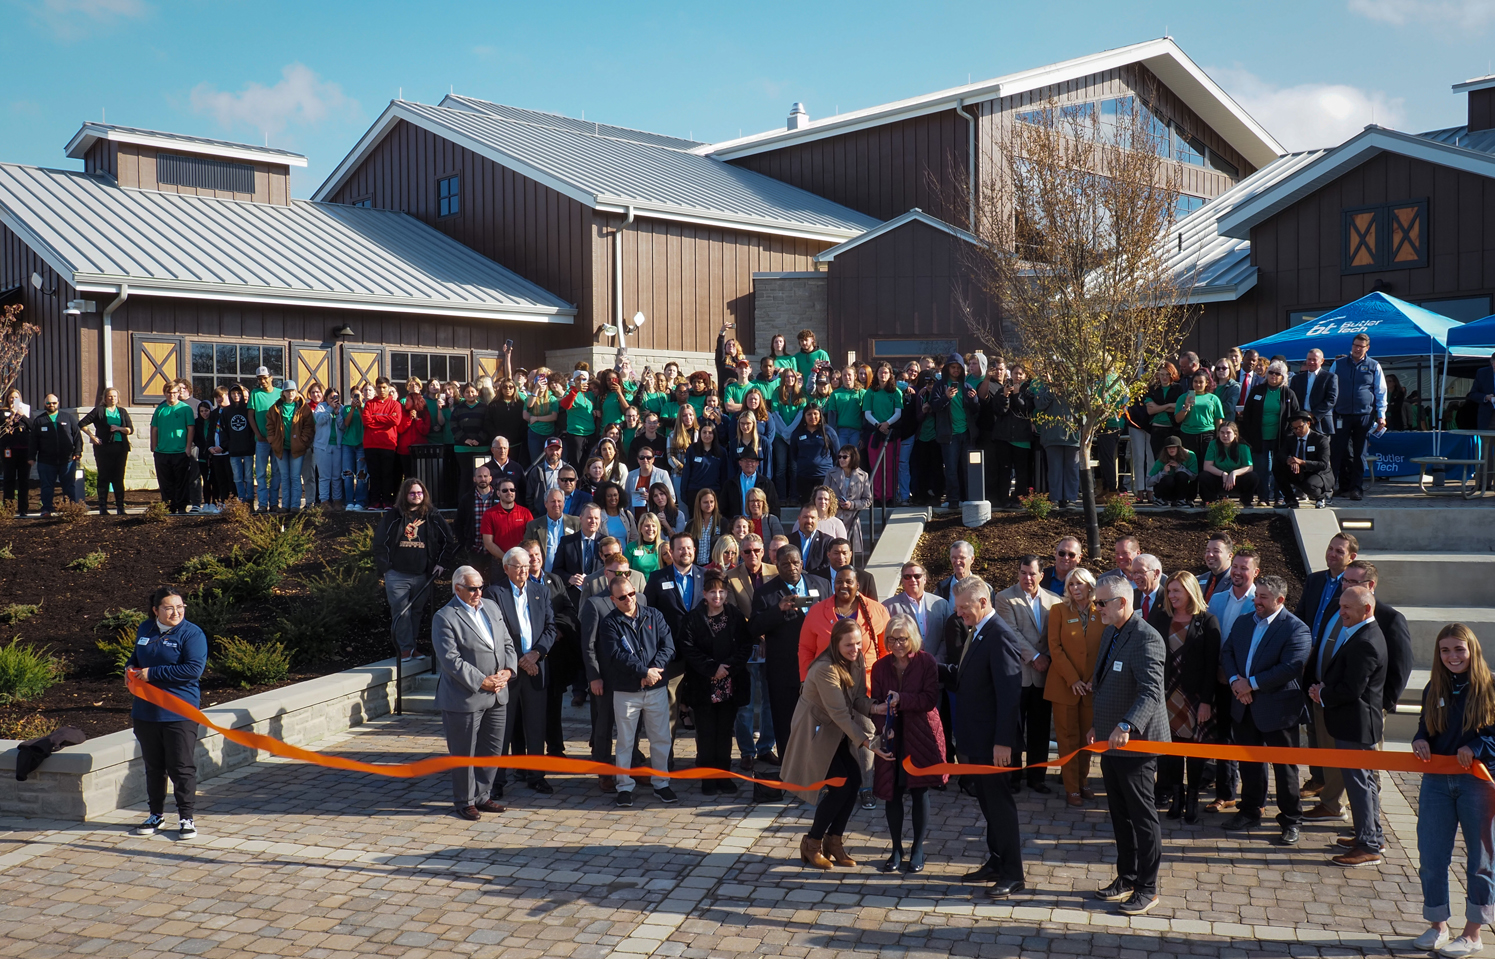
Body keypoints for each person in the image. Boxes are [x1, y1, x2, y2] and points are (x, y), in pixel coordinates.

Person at [1409, 623, 1495, 957]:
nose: (1452, 656)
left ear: (1472, 650)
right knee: (1431, 856)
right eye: (1445, 650)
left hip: (1478, 783)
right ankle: (1437, 925)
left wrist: (1477, 745)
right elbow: (1424, 726)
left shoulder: (1489, 687)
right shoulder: (1436, 686)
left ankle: (1473, 933)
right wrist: (1420, 739)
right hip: (1436, 783)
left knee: (1481, 860)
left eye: (1458, 649)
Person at [1088, 573, 1168, 915]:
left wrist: (1126, 724)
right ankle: (1127, 876)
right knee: (1120, 815)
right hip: (1110, 743)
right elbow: (1104, 682)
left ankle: (1147, 888)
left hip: (1136, 744)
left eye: (1101, 602)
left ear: (1122, 602)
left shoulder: (1147, 639)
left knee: (1141, 817)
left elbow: (1151, 691)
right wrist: (1098, 724)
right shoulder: (1110, 631)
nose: (1096, 608)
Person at [946, 575, 1027, 897]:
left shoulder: (1000, 635)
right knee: (987, 805)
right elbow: (968, 676)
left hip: (994, 743)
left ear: (983, 602)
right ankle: (996, 861)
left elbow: (1009, 695)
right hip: (977, 738)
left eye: (964, 607)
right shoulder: (978, 631)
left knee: (999, 806)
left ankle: (1013, 872)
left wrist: (1003, 742)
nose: (959, 614)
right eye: (957, 608)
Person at [781, 619, 881, 869]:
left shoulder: (855, 659)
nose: (855, 649)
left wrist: (876, 707)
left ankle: (833, 842)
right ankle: (812, 843)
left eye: (858, 643)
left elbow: (857, 698)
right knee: (840, 787)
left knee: (854, 781)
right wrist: (868, 742)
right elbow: (839, 713)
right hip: (815, 733)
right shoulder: (825, 668)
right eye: (849, 644)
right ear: (835, 643)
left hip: (836, 732)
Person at [1218, 575, 1309, 845]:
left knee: (1285, 769)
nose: (1256, 601)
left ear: (1280, 600)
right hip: (1243, 707)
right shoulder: (1245, 621)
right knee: (1249, 763)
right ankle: (1249, 811)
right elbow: (1228, 652)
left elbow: (1291, 667)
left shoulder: (1296, 629)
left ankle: (1291, 820)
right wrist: (1236, 682)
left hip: (1278, 711)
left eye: (1263, 598)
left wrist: (1251, 685)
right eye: (1256, 595)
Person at [1311, 585, 1388, 867]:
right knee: (1364, 784)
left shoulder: (1366, 640)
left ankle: (1368, 844)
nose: (1340, 612)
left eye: (1346, 608)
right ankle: (1372, 836)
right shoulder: (1361, 633)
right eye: (1340, 605)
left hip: (1356, 727)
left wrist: (1322, 694)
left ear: (1366, 609)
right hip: (1354, 724)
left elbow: (1351, 689)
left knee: (1360, 786)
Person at [431, 566, 515, 821]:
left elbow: (507, 642)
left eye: (481, 586)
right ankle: (464, 800)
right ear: (457, 589)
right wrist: (482, 681)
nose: (479, 592)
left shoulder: (492, 607)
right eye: (472, 588)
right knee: (464, 752)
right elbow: (450, 660)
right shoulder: (444, 617)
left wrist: (509, 671)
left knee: (492, 749)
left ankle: (482, 795)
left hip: (498, 693)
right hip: (464, 697)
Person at [127, 587, 208, 840]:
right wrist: (129, 667)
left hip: (178, 713)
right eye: (169, 607)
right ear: (155, 610)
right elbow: (136, 656)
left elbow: (193, 670)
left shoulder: (192, 634)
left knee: (181, 767)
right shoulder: (145, 629)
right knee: (154, 767)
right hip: (146, 712)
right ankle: (156, 815)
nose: (176, 612)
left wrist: (153, 673)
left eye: (180, 606)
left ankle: (186, 818)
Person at [871, 614, 946, 873]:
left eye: (902, 639)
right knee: (891, 792)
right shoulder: (881, 666)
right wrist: (883, 724)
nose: (897, 644)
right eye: (891, 639)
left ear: (912, 638)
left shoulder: (926, 662)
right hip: (893, 735)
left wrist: (901, 699)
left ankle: (917, 848)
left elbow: (928, 700)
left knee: (919, 791)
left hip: (920, 734)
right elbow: (876, 704)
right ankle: (895, 848)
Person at [598, 575, 678, 807]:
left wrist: (653, 671)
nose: (628, 600)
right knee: (625, 741)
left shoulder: (654, 614)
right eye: (622, 597)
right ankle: (624, 786)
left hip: (656, 688)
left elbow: (668, 646)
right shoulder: (609, 622)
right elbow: (615, 655)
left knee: (661, 738)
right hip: (626, 691)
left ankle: (661, 783)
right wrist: (643, 672)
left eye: (631, 594)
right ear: (613, 599)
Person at [484, 547, 557, 797]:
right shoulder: (494, 593)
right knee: (502, 728)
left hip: (536, 668)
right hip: (508, 671)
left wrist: (536, 654)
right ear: (506, 568)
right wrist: (518, 661)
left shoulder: (541, 591)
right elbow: (495, 634)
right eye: (518, 566)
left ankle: (536, 776)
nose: (524, 570)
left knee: (536, 726)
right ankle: (497, 781)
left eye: (526, 566)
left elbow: (550, 627)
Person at [750, 545, 830, 765]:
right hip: (784, 671)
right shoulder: (766, 592)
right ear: (777, 566)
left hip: (818, 667)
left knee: (821, 720)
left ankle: (820, 766)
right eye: (785, 564)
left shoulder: (821, 585)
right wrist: (778, 610)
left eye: (795, 563)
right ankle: (790, 768)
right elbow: (754, 627)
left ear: (802, 563)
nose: (791, 568)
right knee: (786, 723)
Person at [679, 571, 753, 795]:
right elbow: (688, 648)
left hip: (730, 683)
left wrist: (727, 668)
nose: (717, 596)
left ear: (727, 593)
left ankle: (724, 775)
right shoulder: (693, 618)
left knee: (724, 731)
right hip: (704, 684)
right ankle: (708, 778)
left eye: (721, 591)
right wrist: (712, 668)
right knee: (706, 731)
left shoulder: (735, 616)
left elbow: (745, 645)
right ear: (704, 594)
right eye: (712, 592)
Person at [994, 555, 1059, 793]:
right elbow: (1010, 633)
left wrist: (1048, 658)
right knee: (1014, 728)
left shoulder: (1055, 600)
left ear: (1042, 575)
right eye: (1023, 572)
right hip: (1017, 674)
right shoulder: (1004, 598)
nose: (1027, 578)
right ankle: (1012, 777)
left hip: (1045, 675)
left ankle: (1037, 777)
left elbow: (1057, 636)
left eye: (1032, 573)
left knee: (1040, 729)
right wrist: (1034, 658)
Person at [373, 477, 457, 659]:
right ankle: (406, 648)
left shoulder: (433, 516)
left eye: (420, 492)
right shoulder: (393, 516)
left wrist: (441, 564)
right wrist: (386, 568)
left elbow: (448, 541)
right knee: (401, 611)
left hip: (422, 575)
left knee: (416, 612)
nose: (417, 496)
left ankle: (411, 647)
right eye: (412, 493)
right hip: (396, 575)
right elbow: (380, 543)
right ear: (405, 495)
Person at [1204, 548, 1260, 812]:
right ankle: (1225, 794)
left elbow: (1256, 647)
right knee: (1223, 738)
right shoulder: (1217, 599)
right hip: (1218, 680)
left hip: (1246, 685)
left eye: (1244, 568)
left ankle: (1255, 800)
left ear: (1255, 572)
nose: (1237, 572)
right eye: (1235, 566)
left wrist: (1239, 678)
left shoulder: (1259, 601)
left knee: (1250, 743)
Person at [1045, 567, 1104, 807]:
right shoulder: (1058, 611)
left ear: (1090, 586)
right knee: (1067, 738)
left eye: (1079, 584)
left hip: (1091, 687)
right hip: (1065, 686)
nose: (1075, 588)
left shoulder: (1100, 611)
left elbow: (1105, 647)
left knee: (1086, 738)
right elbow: (1055, 647)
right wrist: (1073, 680)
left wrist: (1093, 679)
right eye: (1071, 584)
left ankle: (1083, 782)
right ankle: (1071, 788)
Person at [1330, 332, 1387, 502]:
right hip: (1341, 414)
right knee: (1338, 452)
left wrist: (1381, 415)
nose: (1356, 349)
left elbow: (1380, 391)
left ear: (1367, 348)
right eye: (1355, 345)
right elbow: (1331, 389)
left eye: (1360, 346)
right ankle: (1336, 486)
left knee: (1359, 454)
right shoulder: (1338, 364)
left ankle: (1356, 488)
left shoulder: (1374, 365)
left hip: (1363, 415)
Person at [1238, 359, 1299, 506]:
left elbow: (1295, 416)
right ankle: (1263, 498)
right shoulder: (1257, 391)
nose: (1273, 376)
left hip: (1280, 438)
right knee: (1262, 469)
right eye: (1271, 372)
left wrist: (1290, 436)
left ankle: (1279, 497)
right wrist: (1248, 435)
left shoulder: (1288, 393)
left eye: (1277, 374)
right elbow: (1248, 414)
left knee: (1279, 469)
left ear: (1283, 376)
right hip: (1259, 438)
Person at [930, 353, 978, 507]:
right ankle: (953, 500)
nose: (956, 370)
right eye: (953, 367)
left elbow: (976, 410)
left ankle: (967, 498)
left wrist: (974, 399)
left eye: (958, 368)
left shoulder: (966, 386)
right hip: (948, 435)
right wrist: (945, 397)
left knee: (967, 469)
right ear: (948, 368)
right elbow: (934, 407)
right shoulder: (940, 385)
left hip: (966, 433)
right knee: (950, 469)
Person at [80, 387, 134, 516]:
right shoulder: (99, 411)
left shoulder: (122, 411)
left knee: (119, 477)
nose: (112, 398)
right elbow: (82, 423)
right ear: (105, 398)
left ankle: (120, 506)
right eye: (110, 396)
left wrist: (119, 428)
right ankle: (102, 507)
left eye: (114, 396)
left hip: (120, 447)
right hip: (103, 448)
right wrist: (92, 436)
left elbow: (130, 429)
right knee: (104, 476)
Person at [884, 562, 950, 664]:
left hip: (937, 667)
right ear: (902, 580)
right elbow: (887, 640)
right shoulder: (888, 607)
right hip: (905, 669)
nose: (912, 580)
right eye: (907, 576)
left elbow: (947, 638)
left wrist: (937, 660)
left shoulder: (941, 604)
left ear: (924, 579)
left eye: (917, 576)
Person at [144, 386, 192, 514]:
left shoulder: (185, 409)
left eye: (174, 392)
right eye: (169, 393)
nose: (172, 395)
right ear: (165, 393)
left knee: (181, 481)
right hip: (162, 451)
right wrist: (153, 446)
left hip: (180, 451)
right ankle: (169, 506)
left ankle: (181, 507)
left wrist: (188, 447)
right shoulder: (160, 409)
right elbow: (154, 428)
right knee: (165, 482)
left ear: (178, 393)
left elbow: (190, 428)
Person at [361, 378, 404, 511]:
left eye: (384, 387)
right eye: (379, 387)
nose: (381, 390)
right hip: (371, 444)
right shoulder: (369, 404)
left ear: (388, 388)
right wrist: (385, 419)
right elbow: (367, 421)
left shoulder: (395, 404)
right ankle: (374, 501)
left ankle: (387, 501)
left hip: (388, 444)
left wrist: (376, 417)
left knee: (387, 474)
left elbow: (395, 421)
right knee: (374, 474)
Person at [1275, 410, 1333, 509]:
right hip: (1298, 471)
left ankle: (1321, 498)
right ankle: (1290, 500)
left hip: (1317, 473)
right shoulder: (1290, 438)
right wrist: (1289, 460)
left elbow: (1323, 464)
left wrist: (1302, 462)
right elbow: (1281, 454)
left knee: (1309, 485)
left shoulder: (1320, 439)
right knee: (1277, 466)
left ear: (1308, 424)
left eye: (1300, 427)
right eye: (1294, 428)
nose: (1297, 431)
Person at [554, 503, 605, 604]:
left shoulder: (606, 542)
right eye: (589, 517)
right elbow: (556, 570)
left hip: (600, 597)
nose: (593, 521)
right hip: (573, 598)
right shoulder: (567, 542)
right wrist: (569, 578)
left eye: (596, 518)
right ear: (581, 518)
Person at [1198, 421, 1257, 507]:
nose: (1225, 435)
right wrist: (1223, 474)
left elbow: (1249, 467)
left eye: (1228, 433)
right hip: (1220, 480)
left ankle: (1246, 501)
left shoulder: (1243, 446)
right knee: (1204, 476)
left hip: (1236, 481)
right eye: (1222, 432)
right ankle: (1210, 502)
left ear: (1235, 434)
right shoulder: (1213, 444)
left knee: (1253, 476)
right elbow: (1207, 466)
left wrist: (1234, 473)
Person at [827, 445, 872, 555]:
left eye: (845, 457)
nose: (841, 459)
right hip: (834, 516)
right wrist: (836, 503)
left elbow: (867, 500)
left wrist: (851, 504)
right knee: (833, 551)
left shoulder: (863, 476)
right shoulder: (831, 473)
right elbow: (824, 494)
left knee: (850, 553)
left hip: (852, 519)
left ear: (853, 458)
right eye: (839, 457)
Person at [523, 488, 579, 575]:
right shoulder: (533, 526)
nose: (556, 504)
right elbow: (526, 549)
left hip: (568, 577)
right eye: (553, 501)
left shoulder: (576, 523)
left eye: (559, 501)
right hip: (543, 576)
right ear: (545, 503)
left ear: (564, 503)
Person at [789, 404, 838, 504]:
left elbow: (836, 453)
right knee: (807, 507)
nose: (812, 417)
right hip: (804, 476)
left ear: (820, 415)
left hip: (824, 476)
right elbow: (793, 453)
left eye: (815, 414)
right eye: (809, 414)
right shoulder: (797, 433)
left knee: (824, 507)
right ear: (804, 416)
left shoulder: (829, 431)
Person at [480, 477, 533, 569]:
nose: (509, 493)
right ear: (498, 493)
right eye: (505, 490)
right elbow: (488, 543)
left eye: (512, 490)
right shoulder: (489, 514)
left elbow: (531, 539)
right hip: (499, 563)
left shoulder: (525, 513)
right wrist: (506, 558)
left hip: (522, 563)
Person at [1290, 348, 1338, 437]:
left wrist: (1313, 415)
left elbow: (1331, 399)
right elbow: (1293, 398)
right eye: (1309, 359)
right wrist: (1302, 415)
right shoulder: (1297, 379)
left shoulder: (1330, 377)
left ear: (1322, 361)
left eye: (1314, 360)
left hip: (1321, 422)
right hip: (1300, 423)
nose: (1311, 362)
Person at [810, 537, 877, 601]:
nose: (841, 557)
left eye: (844, 553)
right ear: (828, 555)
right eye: (836, 553)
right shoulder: (815, 577)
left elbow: (874, 607)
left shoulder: (865, 579)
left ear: (851, 554)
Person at [458, 464, 500, 555]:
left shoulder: (499, 497)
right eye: (479, 476)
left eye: (485, 476)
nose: (483, 479)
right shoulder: (467, 499)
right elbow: (459, 523)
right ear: (474, 479)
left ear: (490, 478)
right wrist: (464, 543)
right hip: (475, 549)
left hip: (496, 550)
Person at [1148, 436, 1198, 507]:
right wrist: (1163, 473)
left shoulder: (1190, 455)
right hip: (1166, 489)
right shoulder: (1161, 460)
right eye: (1169, 447)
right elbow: (1149, 482)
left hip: (1182, 488)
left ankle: (1181, 500)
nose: (1171, 449)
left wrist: (1178, 467)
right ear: (1165, 449)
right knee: (1168, 479)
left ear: (1179, 448)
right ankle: (1161, 500)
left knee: (1182, 475)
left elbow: (1194, 476)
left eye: (1174, 447)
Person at [524, 437, 569, 516]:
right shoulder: (536, 471)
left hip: (565, 517)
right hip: (542, 518)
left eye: (557, 449)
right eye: (551, 449)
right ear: (545, 451)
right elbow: (529, 497)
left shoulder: (569, 471)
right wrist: (536, 515)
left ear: (561, 451)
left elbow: (576, 495)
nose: (554, 452)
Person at [483, 435, 527, 508]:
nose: (502, 451)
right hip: (492, 511)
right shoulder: (485, 469)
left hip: (514, 511)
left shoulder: (517, 468)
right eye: (499, 448)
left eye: (505, 448)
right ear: (492, 450)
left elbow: (524, 491)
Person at [625, 511, 666, 576]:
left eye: (653, 526)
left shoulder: (665, 546)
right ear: (640, 528)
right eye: (647, 526)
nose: (650, 529)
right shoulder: (631, 547)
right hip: (638, 585)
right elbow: (626, 570)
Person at [1130, 554, 1165, 620]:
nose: (1136, 577)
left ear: (1156, 573)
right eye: (1134, 573)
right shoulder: (1131, 597)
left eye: (1141, 572)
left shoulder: (1168, 599)